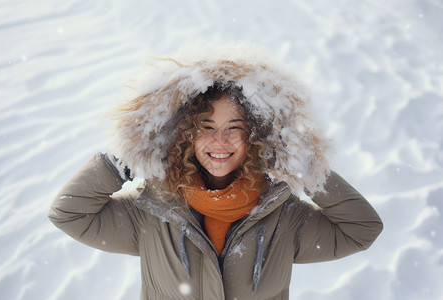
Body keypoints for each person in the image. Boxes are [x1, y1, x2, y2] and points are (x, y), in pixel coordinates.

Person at [49, 44, 383, 300]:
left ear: (255, 136)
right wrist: (120, 162)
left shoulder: (286, 216)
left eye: (234, 127)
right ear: (184, 135)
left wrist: (305, 169)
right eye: (205, 126)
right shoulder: (152, 210)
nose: (219, 141)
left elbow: (362, 229)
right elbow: (69, 215)